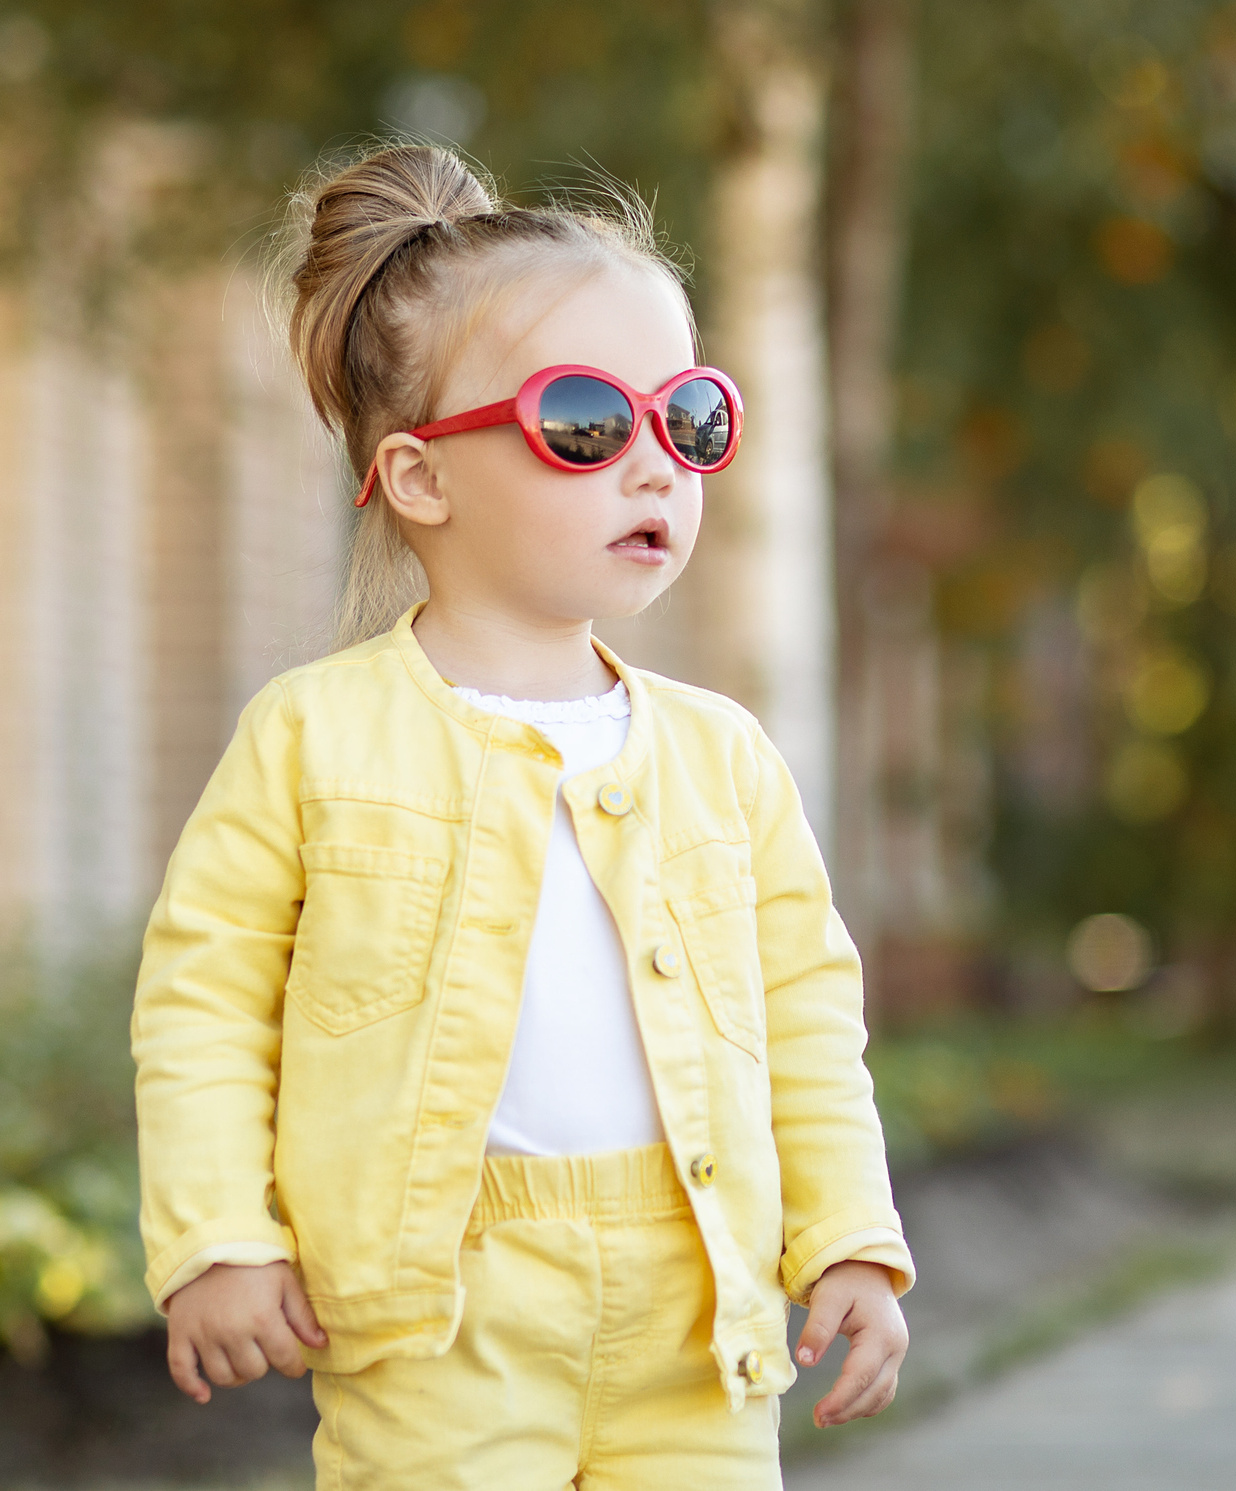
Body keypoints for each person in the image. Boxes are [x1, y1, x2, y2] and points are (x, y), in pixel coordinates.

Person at [131, 144, 913, 1490]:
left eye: (693, 420)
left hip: (694, 1310)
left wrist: (847, 1234)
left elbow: (806, 1020)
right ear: (422, 479)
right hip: (434, 1315)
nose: (658, 467)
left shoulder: (724, 759)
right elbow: (204, 1004)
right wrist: (220, 1237)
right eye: (591, 425)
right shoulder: (313, 738)